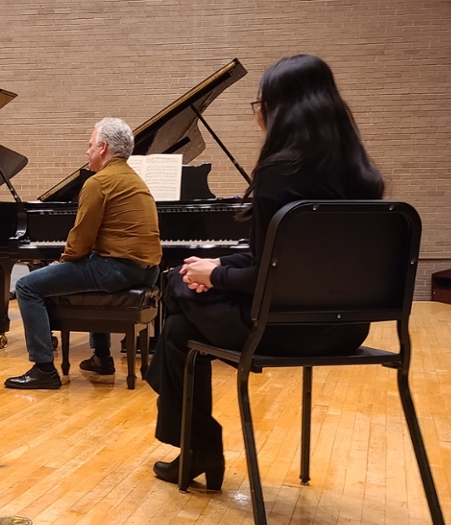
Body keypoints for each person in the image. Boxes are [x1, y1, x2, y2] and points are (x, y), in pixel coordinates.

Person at [146, 54, 386, 490]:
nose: (258, 113)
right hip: (348, 328)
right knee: (180, 330)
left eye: (260, 103)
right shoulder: (363, 177)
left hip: (278, 328)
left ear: (279, 109)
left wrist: (212, 276)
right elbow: (281, 263)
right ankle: (191, 443)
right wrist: (219, 265)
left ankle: (194, 441)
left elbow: (270, 279)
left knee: (175, 289)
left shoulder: (280, 173)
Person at [4, 117, 162, 390]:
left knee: (27, 285)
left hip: (117, 269)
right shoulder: (136, 180)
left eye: (89, 145)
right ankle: (101, 357)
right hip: (148, 271)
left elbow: (80, 240)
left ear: (103, 147)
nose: (86, 151)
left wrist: (61, 265)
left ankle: (43, 368)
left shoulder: (98, 182)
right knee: (88, 270)